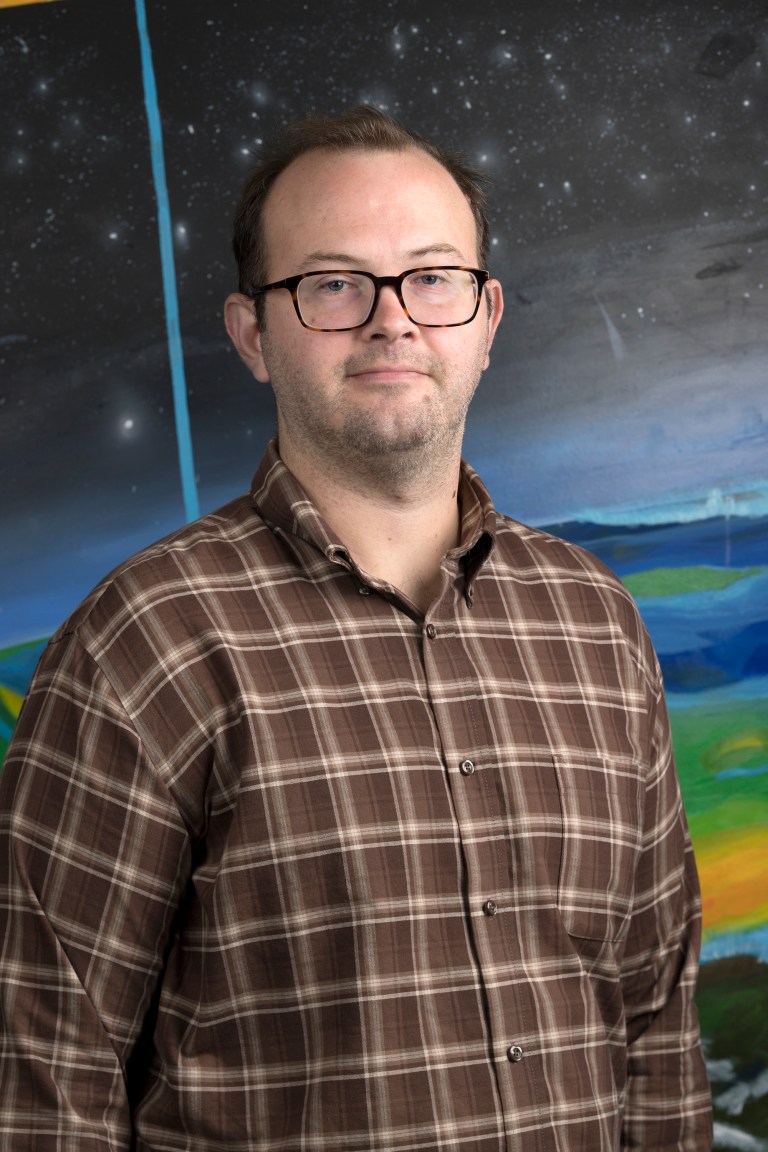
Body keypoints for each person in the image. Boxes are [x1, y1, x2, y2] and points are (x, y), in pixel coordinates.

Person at [0, 107, 711, 1151]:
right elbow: (41, 1074)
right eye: (333, 284)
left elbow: (655, 1027)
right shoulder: (144, 641)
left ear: (486, 317)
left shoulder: (595, 623)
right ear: (253, 333)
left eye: (432, 277)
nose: (394, 321)